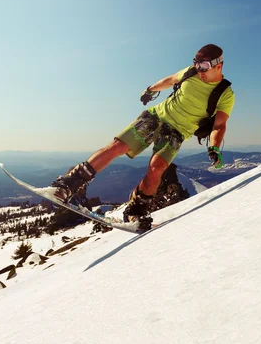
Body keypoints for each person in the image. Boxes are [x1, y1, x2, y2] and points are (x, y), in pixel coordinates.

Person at [51, 43, 235, 229]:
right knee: (117, 147)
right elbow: (170, 80)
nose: (199, 70)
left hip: (176, 133)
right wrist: (151, 90)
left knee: (157, 169)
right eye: (196, 64)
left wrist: (214, 147)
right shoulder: (190, 72)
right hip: (155, 117)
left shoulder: (225, 94)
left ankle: (135, 211)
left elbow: (219, 125)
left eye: (204, 67)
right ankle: (67, 185)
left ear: (218, 66)